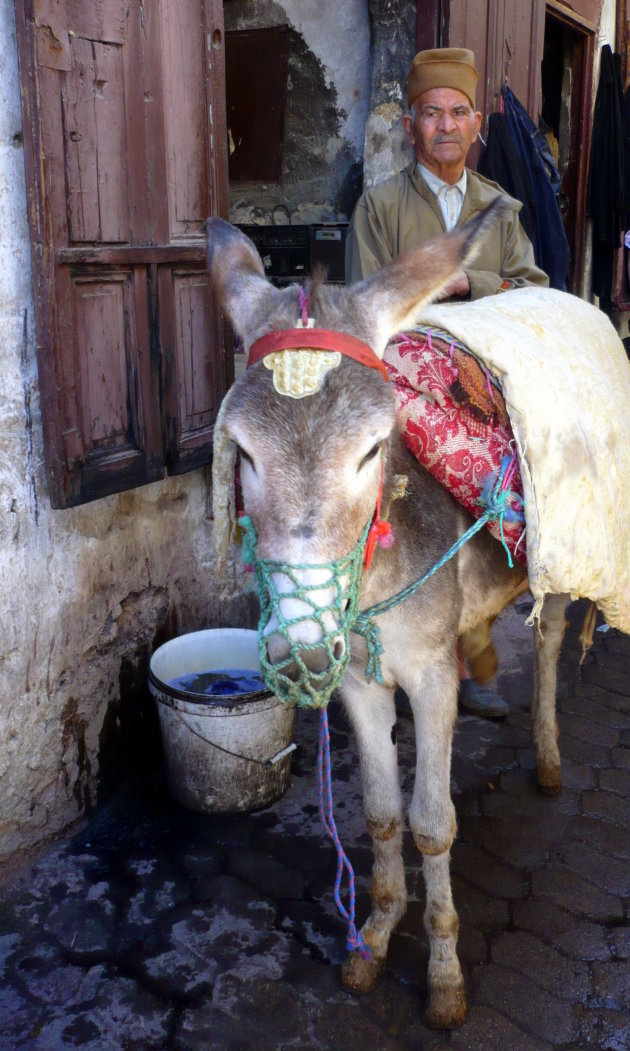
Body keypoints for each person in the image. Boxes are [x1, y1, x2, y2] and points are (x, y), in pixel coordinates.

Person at [346, 47, 549, 718]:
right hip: (408, 381)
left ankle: (474, 656)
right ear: (411, 126)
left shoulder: (500, 208)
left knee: (485, 509)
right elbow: (362, 301)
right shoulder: (378, 207)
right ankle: (388, 649)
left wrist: (472, 282)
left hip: (484, 380)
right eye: (431, 113)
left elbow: (534, 289)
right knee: (398, 504)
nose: (445, 126)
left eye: (458, 112)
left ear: (475, 127)